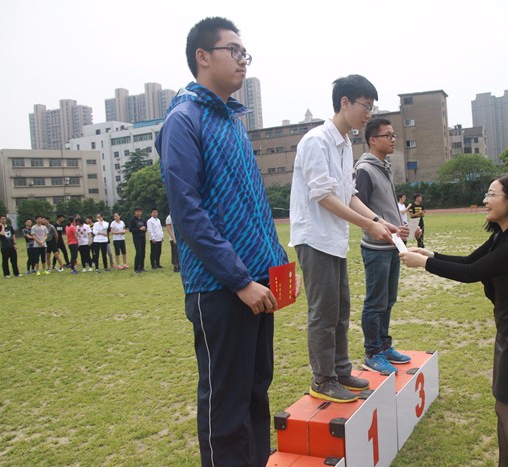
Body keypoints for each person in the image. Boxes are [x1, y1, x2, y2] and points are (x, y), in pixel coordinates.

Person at [157, 16, 300, 467]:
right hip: (221, 289)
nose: (242, 60)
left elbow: (253, 204)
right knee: (226, 402)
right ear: (203, 57)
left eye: (245, 53)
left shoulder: (233, 121)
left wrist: (277, 265)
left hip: (259, 282)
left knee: (257, 390)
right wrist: (240, 281)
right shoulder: (184, 120)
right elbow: (188, 214)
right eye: (233, 51)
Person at [399, 173, 508, 467]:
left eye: (492, 194)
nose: (485, 200)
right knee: (503, 409)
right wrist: (430, 253)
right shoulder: (502, 237)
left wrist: (425, 263)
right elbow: (470, 261)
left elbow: (471, 274)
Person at [290, 74, 395, 403]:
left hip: (333, 238)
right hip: (314, 238)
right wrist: (368, 224)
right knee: (323, 312)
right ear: (345, 103)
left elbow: (347, 194)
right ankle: (323, 379)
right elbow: (323, 196)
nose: (369, 113)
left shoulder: (346, 143)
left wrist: (378, 220)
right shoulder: (315, 141)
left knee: (340, 308)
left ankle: (339, 369)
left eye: (372, 106)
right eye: (366, 105)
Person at [354, 118, 411, 375]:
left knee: (389, 300)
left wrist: (401, 227)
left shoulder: (384, 167)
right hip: (376, 249)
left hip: (392, 246)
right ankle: (372, 352)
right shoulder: (365, 169)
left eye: (394, 134)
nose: (393, 139)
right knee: (375, 301)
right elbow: (360, 210)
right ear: (372, 140)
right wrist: (380, 229)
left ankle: (385, 346)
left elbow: (385, 206)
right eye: (387, 135)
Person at [129, 207, 147, 273]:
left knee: (143, 253)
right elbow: (131, 229)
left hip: (143, 238)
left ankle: (142, 267)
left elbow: (146, 227)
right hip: (136, 238)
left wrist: (144, 229)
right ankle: (136, 268)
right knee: (138, 253)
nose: (139, 213)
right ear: (135, 212)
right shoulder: (132, 220)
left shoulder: (143, 220)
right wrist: (139, 229)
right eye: (138, 212)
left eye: (140, 212)